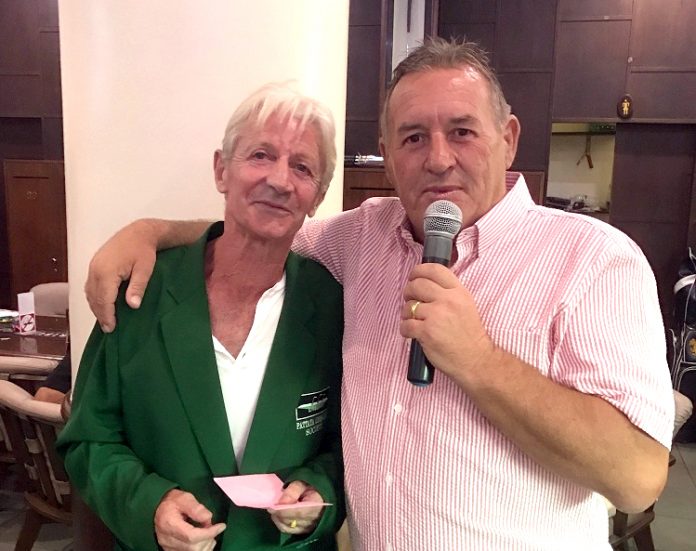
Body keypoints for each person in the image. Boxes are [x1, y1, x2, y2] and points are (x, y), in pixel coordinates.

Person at [83, 38, 674, 549]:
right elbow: (263, 225)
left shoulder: (593, 258)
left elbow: (637, 479)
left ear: (509, 138)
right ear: (388, 155)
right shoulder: (361, 237)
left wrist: (479, 361)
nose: (438, 158)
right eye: (414, 137)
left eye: (462, 131)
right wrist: (149, 232)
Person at [57, 83, 345, 551]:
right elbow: (88, 439)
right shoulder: (143, 290)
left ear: (317, 196)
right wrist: (149, 505)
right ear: (221, 170)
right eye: (261, 155)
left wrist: (320, 490)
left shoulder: (332, 303)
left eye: (302, 167)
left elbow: (350, 443)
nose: (280, 180)